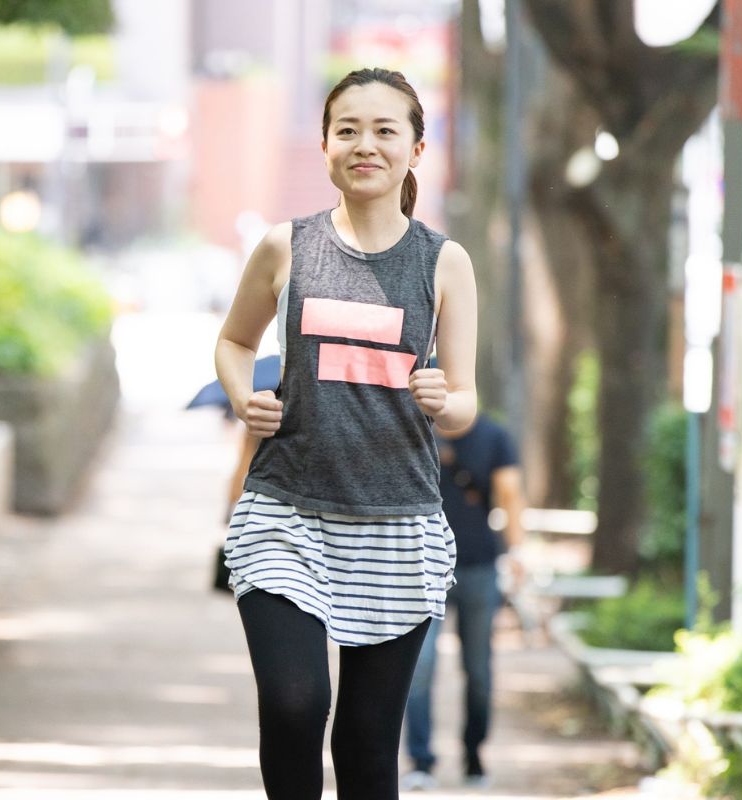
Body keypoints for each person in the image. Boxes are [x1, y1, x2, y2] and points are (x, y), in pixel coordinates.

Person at [213, 67, 478, 799]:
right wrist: (244, 396)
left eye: (385, 130)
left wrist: (442, 398)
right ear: (326, 145)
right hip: (286, 515)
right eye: (349, 129)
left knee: (366, 747)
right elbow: (235, 342)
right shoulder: (286, 247)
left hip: (397, 529)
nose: (366, 144)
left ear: (416, 148)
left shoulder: (442, 262)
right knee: (296, 704)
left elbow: (467, 402)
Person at [401, 411, 524, 790]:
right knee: (418, 669)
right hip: (421, 566)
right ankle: (421, 760)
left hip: (478, 567)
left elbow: (510, 493)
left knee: (479, 670)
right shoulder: (411, 427)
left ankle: (474, 755)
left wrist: (517, 551)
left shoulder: (493, 435)